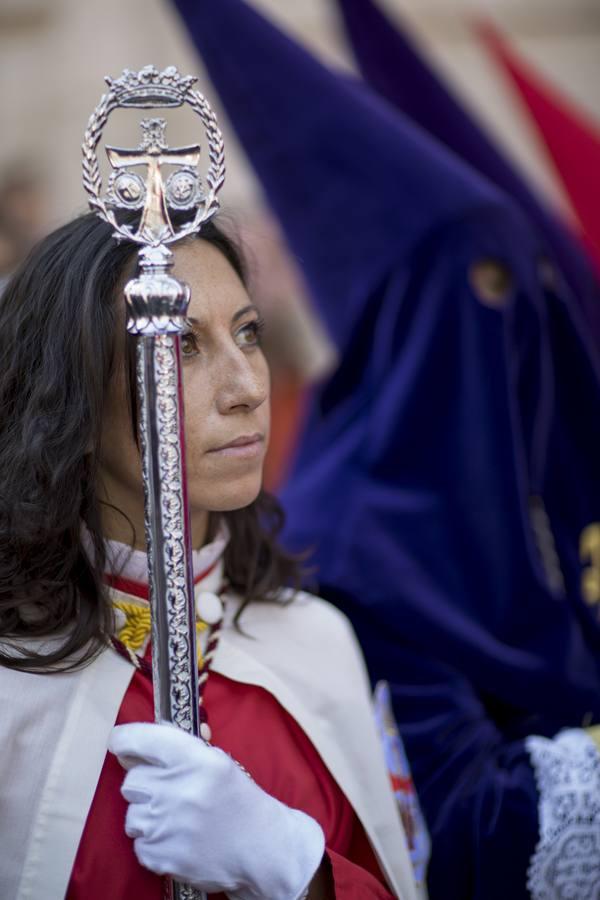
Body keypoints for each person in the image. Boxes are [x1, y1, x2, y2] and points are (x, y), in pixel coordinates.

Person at [170, 1, 600, 898]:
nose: (517, 318)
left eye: (525, 280)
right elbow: (449, 828)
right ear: (412, 320)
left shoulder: (536, 464)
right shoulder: (348, 540)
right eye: (484, 287)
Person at [0, 211, 422, 900]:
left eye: (248, 333)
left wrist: (297, 869)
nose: (247, 388)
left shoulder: (315, 641)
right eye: (180, 344)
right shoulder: (11, 685)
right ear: (70, 392)